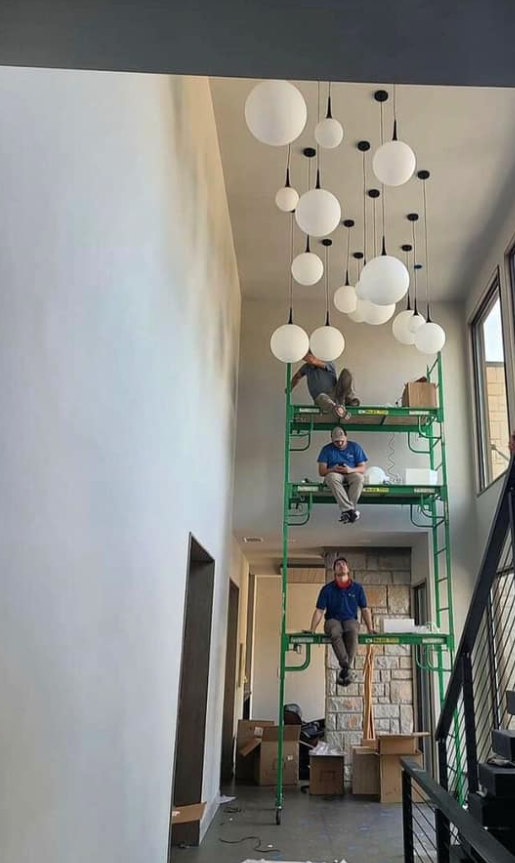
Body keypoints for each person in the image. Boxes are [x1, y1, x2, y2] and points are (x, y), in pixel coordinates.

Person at [309, 557, 375, 686]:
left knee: (353, 629)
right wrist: (312, 629)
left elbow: (365, 609)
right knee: (335, 630)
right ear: (334, 570)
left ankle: (345, 669)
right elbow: (319, 611)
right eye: (338, 564)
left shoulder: (357, 588)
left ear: (348, 569)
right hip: (332, 620)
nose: (341, 566)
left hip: (350, 620)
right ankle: (347, 667)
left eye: (344, 564)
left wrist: (370, 628)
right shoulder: (327, 589)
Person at [318, 427, 367, 524]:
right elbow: (322, 472)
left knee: (359, 478)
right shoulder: (326, 449)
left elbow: (362, 468)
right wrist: (333, 469)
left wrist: (350, 470)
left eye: (342, 441)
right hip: (334, 473)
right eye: (336, 442)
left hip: (351, 472)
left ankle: (348, 511)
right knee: (331, 477)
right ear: (331, 439)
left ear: (346, 437)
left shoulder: (355, 447)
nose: (339, 443)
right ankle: (350, 511)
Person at [290, 351, 360, 419]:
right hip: (322, 400)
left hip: (336, 394)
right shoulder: (306, 367)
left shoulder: (327, 363)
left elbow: (312, 360)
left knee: (346, 373)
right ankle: (338, 411)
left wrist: (298, 352)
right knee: (322, 396)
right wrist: (290, 388)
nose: (308, 357)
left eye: (310, 354)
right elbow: (297, 377)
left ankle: (349, 400)